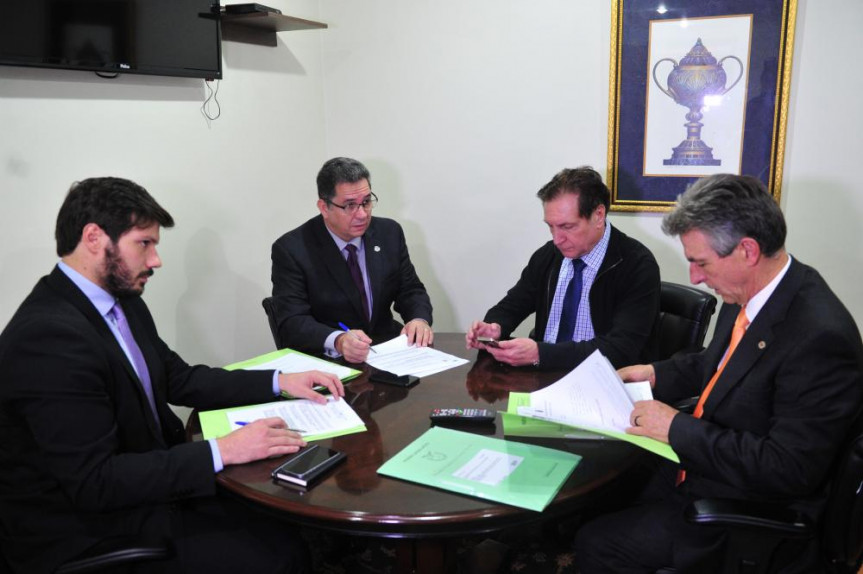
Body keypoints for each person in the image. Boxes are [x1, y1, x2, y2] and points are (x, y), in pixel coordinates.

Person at [0, 177, 346, 574]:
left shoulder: (121, 301)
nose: (155, 260)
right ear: (94, 238)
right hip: (89, 529)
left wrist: (278, 381)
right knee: (279, 556)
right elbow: (95, 481)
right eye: (144, 243)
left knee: (281, 519)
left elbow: (179, 378)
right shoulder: (48, 337)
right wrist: (223, 451)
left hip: (144, 489)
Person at [574, 174, 863, 573]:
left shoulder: (819, 338)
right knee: (597, 490)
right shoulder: (749, 290)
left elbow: (788, 469)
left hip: (749, 506)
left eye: (701, 262)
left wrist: (675, 428)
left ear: (747, 250)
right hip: (706, 463)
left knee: (596, 543)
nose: (694, 277)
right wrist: (653, 373)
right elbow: (717, 364)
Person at [466, 166, 660, 370]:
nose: (557, 239)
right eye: (551, 226)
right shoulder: (549, 255)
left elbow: (620, 350)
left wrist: (541, 354)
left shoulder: (637, 265)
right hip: (545, 376)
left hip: (607, 378)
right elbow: (512, 305)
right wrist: (495, 327)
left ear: (598, 215)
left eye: (567, 227)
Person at [271, 157, 433, 363]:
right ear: (324, 207)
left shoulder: (388, 232)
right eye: (350, 205)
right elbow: (291, 322)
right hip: (331, 361)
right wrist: (338, 340)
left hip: (387, 351)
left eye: (366, 202)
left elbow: (410, 289)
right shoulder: (292, 249)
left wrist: (418, 320)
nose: (362, 214)